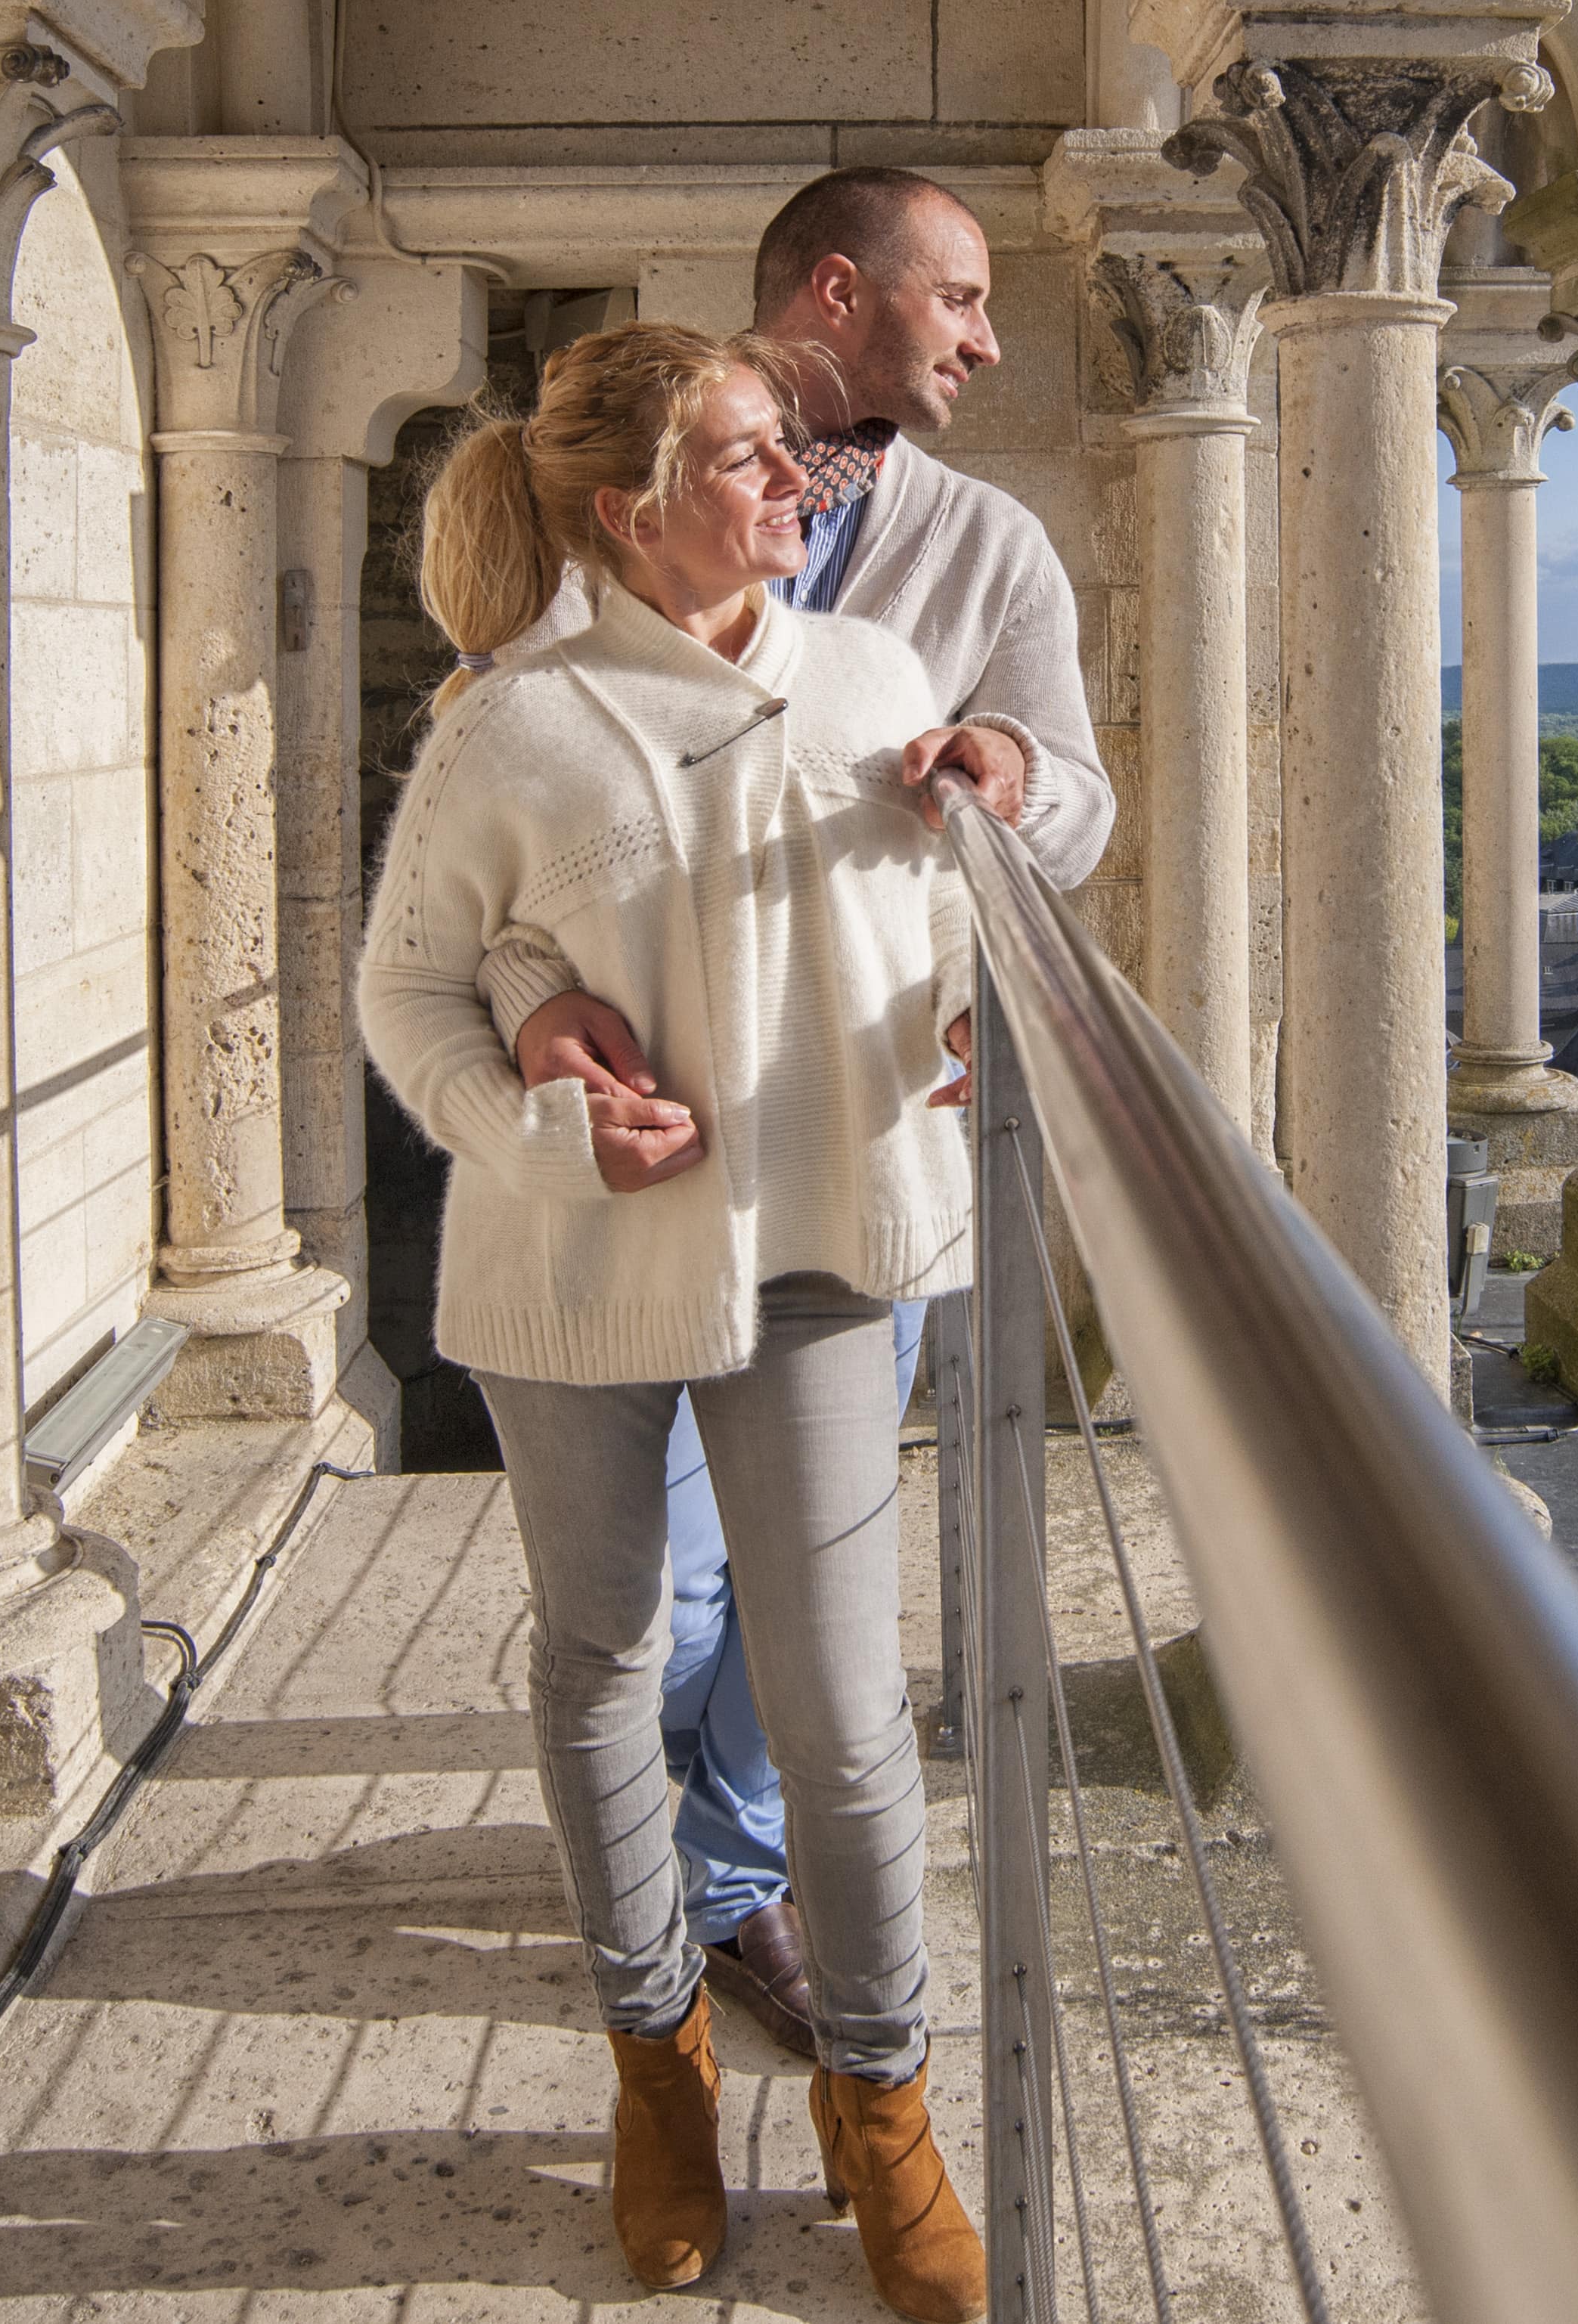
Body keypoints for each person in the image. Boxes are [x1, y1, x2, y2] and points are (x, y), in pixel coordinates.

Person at [358, 321, 986, 2319]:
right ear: (633, 515)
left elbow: (944, 917)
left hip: (824, 1248)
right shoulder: (511, 726)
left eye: (787, 445)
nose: (795, 479)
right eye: (744, 454)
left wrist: (971, 1003)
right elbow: (409, 986)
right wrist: (533, 1126)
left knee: (842, 1712)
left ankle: (883, 2100)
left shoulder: (874, 680)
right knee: (604, 1657)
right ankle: (659, 2067)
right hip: (574, 1270)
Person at [488, 170, 1111, 2062]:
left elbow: (1079, 802)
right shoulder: (600, 503)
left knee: (804, 1600)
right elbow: (494, 819)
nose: (986, 339)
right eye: (960, 298)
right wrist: (527, 1012)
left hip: (852, 1147)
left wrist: (1009, 770)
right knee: (660, 1602)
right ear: (839, 292)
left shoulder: (986, 548)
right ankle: (673, 1897)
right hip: (634, 1167)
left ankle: (730, 1877)